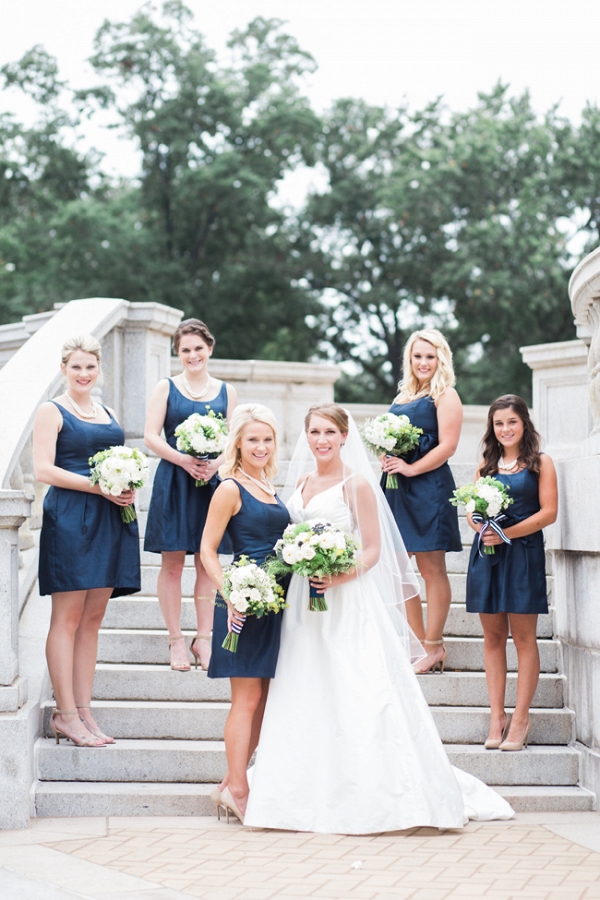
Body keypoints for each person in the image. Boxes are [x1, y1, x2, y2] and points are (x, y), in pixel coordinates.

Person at [242, 402, 513, 833]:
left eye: (330, 432)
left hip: (346, 600)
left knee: (356, 686)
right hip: (301, 604)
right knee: (303, 687)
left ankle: (375, 789)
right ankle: (300, 784)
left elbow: (373, 550)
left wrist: (336, 574)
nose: (321, 440)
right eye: (314, 432)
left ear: (345, 437)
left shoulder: (357, 485)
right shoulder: (300, 481)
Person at [33, 334, 140, 747]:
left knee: (93, 619)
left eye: (90, 367)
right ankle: (65, 714)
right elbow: (43, 469)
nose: (83, 374)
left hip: (110, 517)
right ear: (63, 369)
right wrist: (99, 488)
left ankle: (85, 711)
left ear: (99, 369)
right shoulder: (52, 410)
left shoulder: (107, 411)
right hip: (71, 518)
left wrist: (125, 485)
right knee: (68, 617)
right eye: (76, 367)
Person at [201, 404, 290, 823]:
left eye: (267, 439)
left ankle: (229, 782)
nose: (260, 445)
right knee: (247, 698)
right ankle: (237, 790)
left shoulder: (269, 486)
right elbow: (207, 550)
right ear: (238, 441)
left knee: (266, 699)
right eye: (253, 438)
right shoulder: (230, 488)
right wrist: (232, 594)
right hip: (244, 602)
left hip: (274, 602)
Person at [144, 319, 237, 672]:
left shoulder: (227, 392)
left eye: (198, 348)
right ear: (177, 354)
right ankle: (175, 641)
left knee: (206, 563)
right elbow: (151, 436)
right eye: (185, 350)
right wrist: (184, 459)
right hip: (175, 479)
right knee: (171, 564)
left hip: (211, 484)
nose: (192, 355)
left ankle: (204, 638)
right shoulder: (166, 387)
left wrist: (216, 465)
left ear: (209, 349)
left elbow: (234, 438)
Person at [466, 395, 557, 752]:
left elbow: (548, 513)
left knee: (523, 638)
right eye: (498, 423)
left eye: (512, 422)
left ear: (524, 424)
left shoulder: (541, 463)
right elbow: (472, 512)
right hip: (487, 557)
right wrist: (480, 527)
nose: (505, 429)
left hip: (523, 556)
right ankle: (496, 717)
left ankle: (521, 718)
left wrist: (507, 534)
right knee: (491, 638)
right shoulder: (484, 467)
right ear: (492, 427)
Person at [381, 329, 463, 675]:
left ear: (440, 358)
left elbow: (448, 446)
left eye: (430, 356)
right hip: (397, 488)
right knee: (395, 567)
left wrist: (412, 467)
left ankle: (433, 644)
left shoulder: (445, 395)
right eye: (417, 356)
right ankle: (416, 643)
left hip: (428, 487)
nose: (423, 362)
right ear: (409, 360)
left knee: (431, 570)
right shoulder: (402, 395)